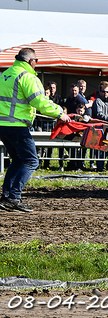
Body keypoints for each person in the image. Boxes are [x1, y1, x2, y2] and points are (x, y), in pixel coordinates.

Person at [0, 48, 71, 212]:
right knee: (31, 160)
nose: (36, 65)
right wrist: (60, 113)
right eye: (36, 61)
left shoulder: (5, 75)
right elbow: (40, 102)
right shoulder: (27, 77)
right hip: (17, 125)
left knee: (17, 160)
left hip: (3, 125)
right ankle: (14, 197)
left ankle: (6, 196)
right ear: (31, 61)